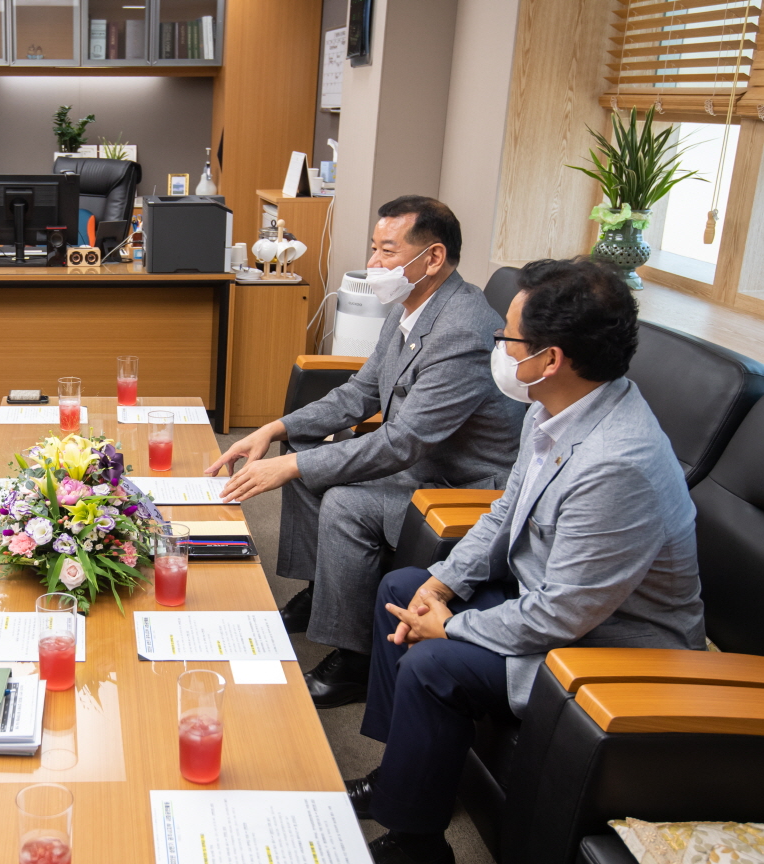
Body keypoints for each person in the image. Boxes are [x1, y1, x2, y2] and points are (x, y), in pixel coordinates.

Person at [349, 258, 704, 864]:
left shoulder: (617, 463)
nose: (498, 345)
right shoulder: (554, 408)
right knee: (405, 589)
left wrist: (453, 627)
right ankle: (402, 776)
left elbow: (564, 615)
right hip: (546, 601)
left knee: (435, 661)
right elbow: (504, 513)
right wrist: (440, 587)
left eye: (507, 336)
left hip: (610, 648)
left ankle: (417, 844)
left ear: (550, 358)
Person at [205, 196, 523, 708]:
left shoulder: (462, 331)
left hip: (459, 486)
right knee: (302, 447)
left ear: (433, 258)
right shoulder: (411, 308)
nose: (373, 263)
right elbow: (360, 392)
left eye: (387, 251)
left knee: (343, 498)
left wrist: (294, 465)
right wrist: (276, 428)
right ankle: (324, 591)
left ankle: (355, 660)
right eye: (374, 248)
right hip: (419, 463)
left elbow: (402, 442)